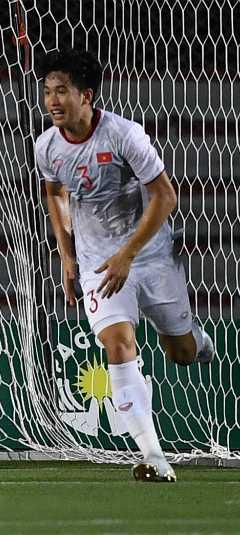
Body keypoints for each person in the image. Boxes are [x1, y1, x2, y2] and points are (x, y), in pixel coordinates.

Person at [35, 48, 215, 482]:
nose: (53, 101)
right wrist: (67, 254)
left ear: (87, 95)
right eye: (47, 92)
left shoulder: (125, 135)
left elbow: (165, 196)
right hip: (100, 264)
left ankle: (196, 339)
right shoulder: (47, 146)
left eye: (62, 91)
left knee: (183, 353)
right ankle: (153, 458)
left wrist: (128, 254)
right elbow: (55, 193)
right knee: (118, 344)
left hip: (149, 257)